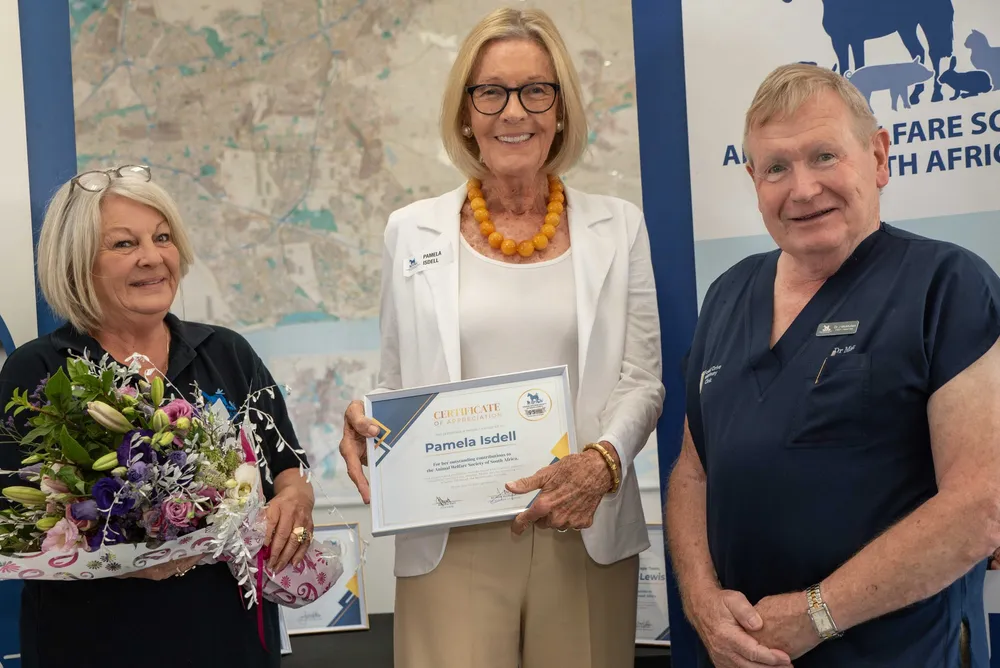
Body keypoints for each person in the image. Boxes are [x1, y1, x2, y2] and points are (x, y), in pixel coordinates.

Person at [338, 7, 664, 668]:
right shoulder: (410, 230)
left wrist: (601, 463)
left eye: (535, 90)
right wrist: (367, 417)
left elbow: (642, 378)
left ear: (560, 109)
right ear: (466, 112)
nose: (514, 111)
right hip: (450, 533)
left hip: (582, 521)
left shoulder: (619, 225)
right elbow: (398, 378)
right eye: (491, 92)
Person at [666, 62, 1000, 668]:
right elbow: (693, 472)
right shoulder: (726, 296)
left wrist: (816, 615)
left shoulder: (947, 287)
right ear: (753, 180)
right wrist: (703, 602)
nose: (802, 189)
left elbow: (982, 502)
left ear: (878, 157)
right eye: (776, 168)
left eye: (824, 156)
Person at [0, 165, 315, 668]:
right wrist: (123, 557)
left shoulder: (227, 352)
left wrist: (296, 504)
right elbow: (17, 525)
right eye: (124, 244)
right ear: (77, 264)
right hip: (93, 645)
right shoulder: (39, 372)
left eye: (162, 237)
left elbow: (288, 470)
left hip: (228, 639)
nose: (153, 257)